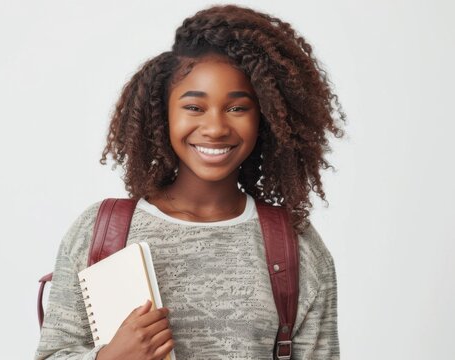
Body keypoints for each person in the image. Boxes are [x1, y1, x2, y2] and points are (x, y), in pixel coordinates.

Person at [35, 4, 346, 360]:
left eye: (237, 108)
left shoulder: (295, 245)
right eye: (194, 108)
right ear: (161, 114)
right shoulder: (100, 231)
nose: (215, 128)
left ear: (268, 118)